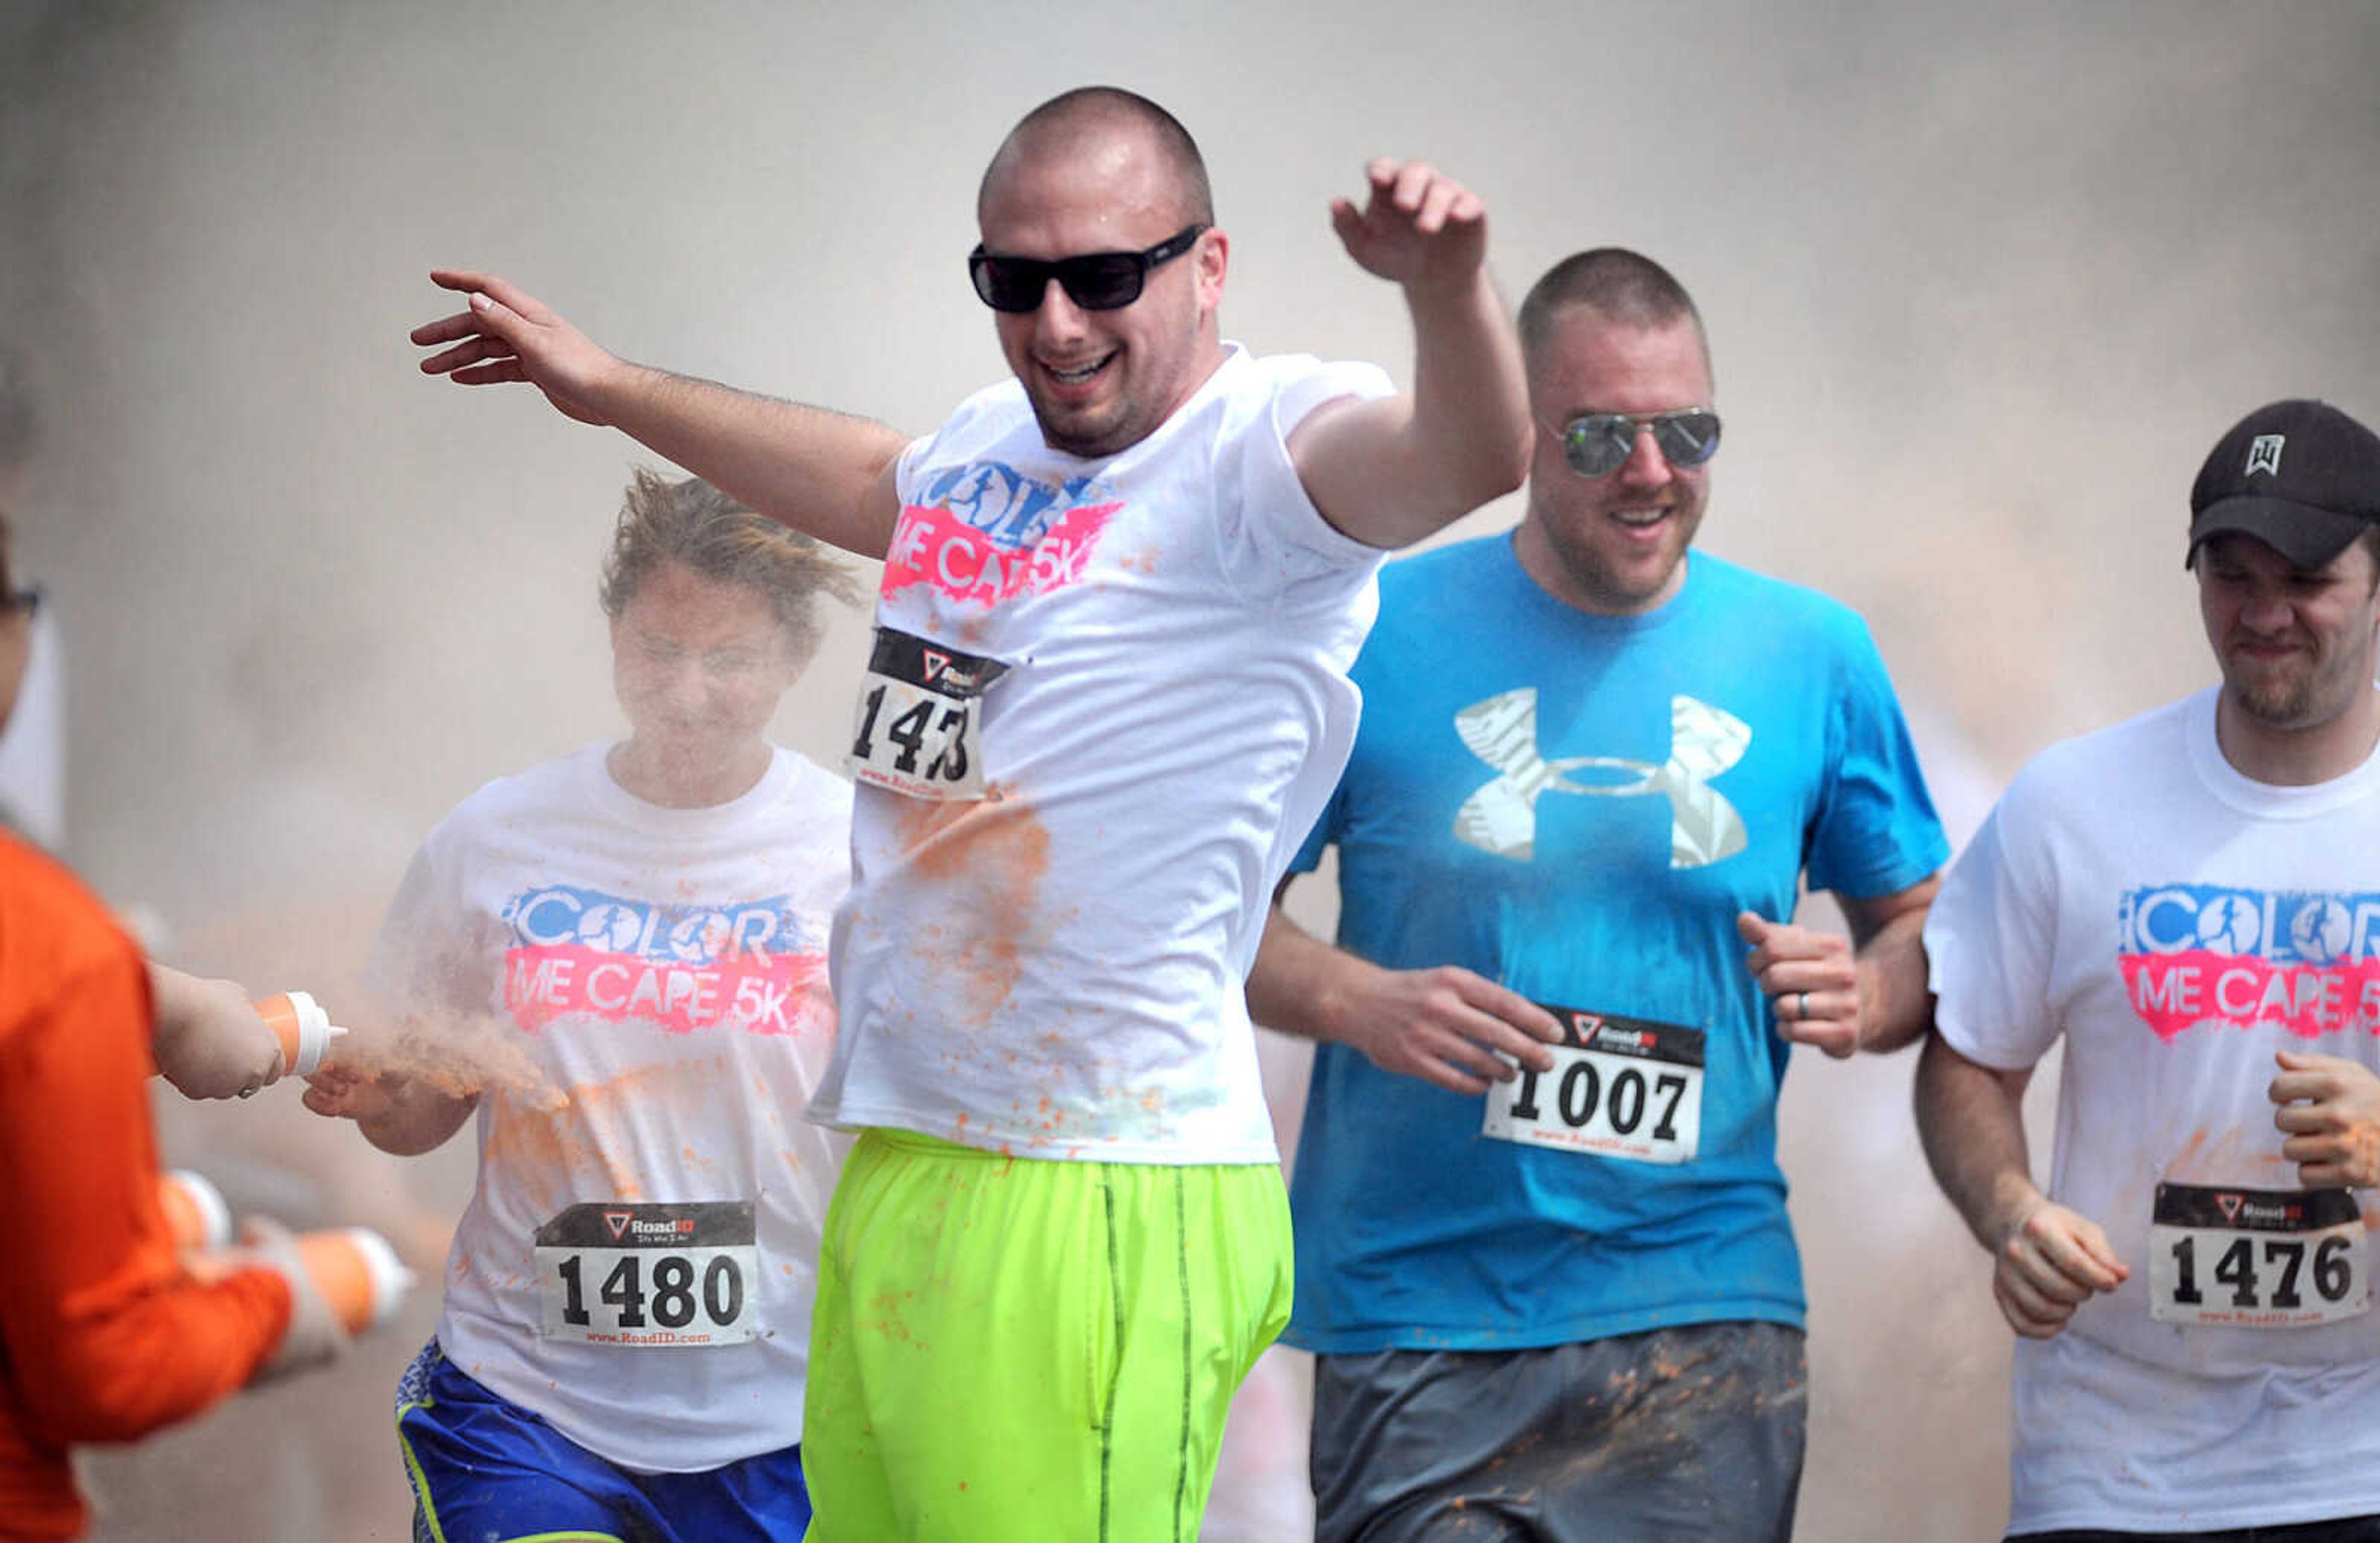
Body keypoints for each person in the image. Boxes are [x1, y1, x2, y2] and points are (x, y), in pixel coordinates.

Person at [408, 86, 1528, 1540]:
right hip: (906, 1151)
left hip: (1101, 1180)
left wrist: (1447, 291)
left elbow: (1465, 458)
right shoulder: (993, 444)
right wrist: (610, 385)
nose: (1058, 322)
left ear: (1208, 267)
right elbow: (877, 477)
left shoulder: (1264, 453)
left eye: (1105, 277)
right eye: (1017, 280)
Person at [1245, 247, 1947, 1542]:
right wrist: (1360, 1001)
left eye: (1688, 430)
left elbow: (1926, 935)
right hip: (1422, 1313)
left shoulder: (1813, 652)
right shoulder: (1368, 631)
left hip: (1701, 1308)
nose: (1651, 469)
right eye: (1601, 435)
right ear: (1522, 438)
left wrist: (1870, 990)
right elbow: (1211, 923)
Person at [301, 471, 859, 1541]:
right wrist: (378, 1090)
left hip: (779, 1420)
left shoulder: (851, 854)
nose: (687, 691)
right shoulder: (496, 839)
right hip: (525, 1407)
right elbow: (420, 1108)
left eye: (730, 658)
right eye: (658, 648)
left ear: (796, 657)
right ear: (614, 635)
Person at [1917, 399, 2380, 1541]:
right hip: (2116, 1467)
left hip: (2360, 1456)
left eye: (2307, 577)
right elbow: (1968, 1057)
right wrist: (2008, 1208)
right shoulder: (2073, 803)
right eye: (2233, 574)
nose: (2265, 613)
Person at [0, 505, 345, 1542]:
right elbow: (103, 1372)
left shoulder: (65, 946)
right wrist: (277, 1301)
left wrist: (150, 997)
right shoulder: (46, 936)